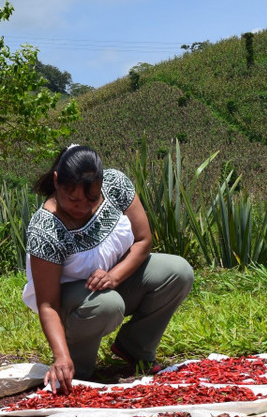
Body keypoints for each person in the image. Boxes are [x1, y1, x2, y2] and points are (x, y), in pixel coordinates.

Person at [24, 145, 193, 393]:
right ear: (57, 182)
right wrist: (60, 355)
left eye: (92, 199)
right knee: (107, 305)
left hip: (114, 281)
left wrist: (114, 276)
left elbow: (143, 241)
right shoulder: (46, 229)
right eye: (73, 199)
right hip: (72, 303)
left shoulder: (116, 185)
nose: (83, 207)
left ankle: (134, 347)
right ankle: (77, 369)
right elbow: (47, 304)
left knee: (178, 271)